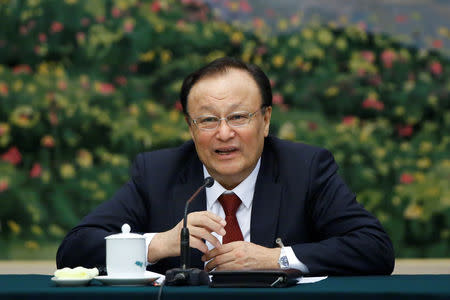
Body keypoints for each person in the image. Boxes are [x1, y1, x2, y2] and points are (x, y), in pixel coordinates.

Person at [57, 57, 395, 276]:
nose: (223, 133)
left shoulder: (305, 168)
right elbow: (73, 251)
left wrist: (274, 259)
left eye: (238, 117)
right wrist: (158, 244)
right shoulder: (158, 172)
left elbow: (374, 249)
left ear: (265, 120)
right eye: (207, 120)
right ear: (191, 128)